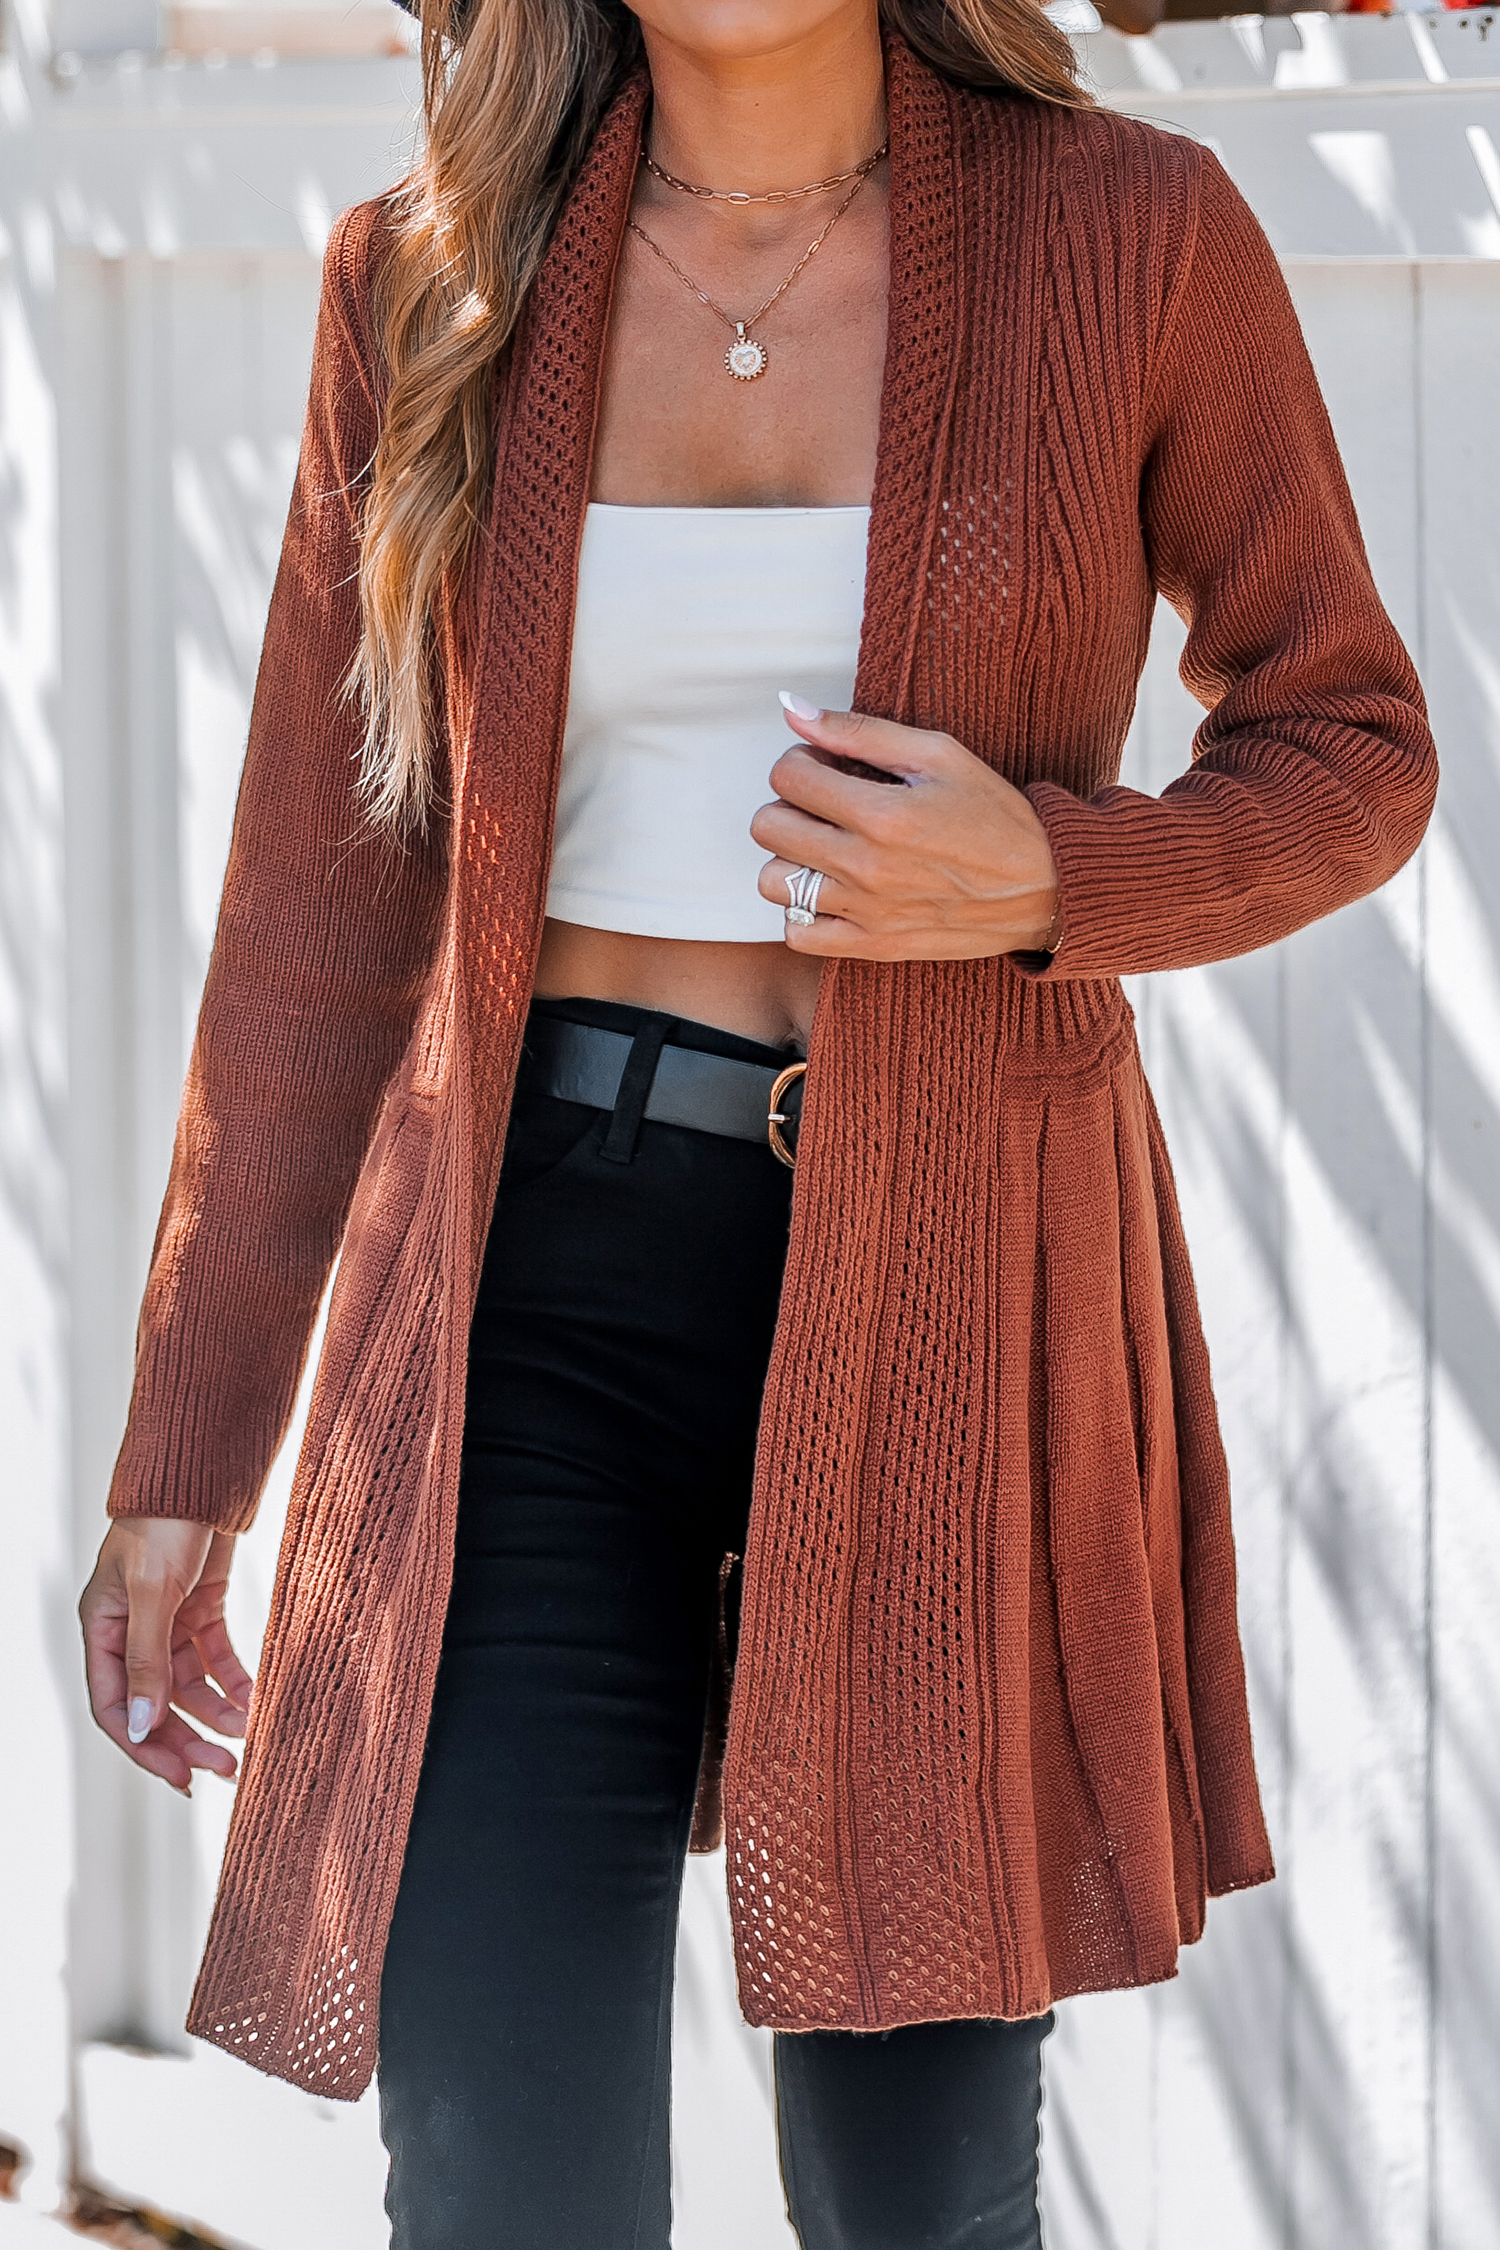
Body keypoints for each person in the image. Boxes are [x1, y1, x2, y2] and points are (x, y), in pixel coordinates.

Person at [78, 0, 1436, 2237]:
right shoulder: (432, 275)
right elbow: (323, 915)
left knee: (918, 2198)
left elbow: (1351, 741)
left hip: (954, 1290)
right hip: (532, 1298)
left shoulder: (1132, 236)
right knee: (504, 2179)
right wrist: (184, 1455)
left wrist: (1051, 877)